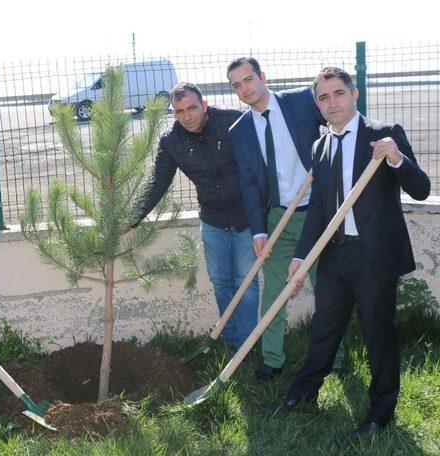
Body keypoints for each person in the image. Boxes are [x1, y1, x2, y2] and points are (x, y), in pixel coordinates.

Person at [283, 67, 430, 436]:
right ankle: (302, 395)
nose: (332, 103)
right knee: (324, 329)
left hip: (373, 255)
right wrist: (301, 258)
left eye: (338, 94)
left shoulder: (384, 134)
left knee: (377, 333)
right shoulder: (321, 146)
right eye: (324, 97)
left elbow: (422, 190)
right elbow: (318, 209)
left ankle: (381, 412)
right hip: (334, 256)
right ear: (317, 104)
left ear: (354, 94)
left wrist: (397, 158)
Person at [227, 57, 344, 381]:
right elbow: (249, 185)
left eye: (248, 79)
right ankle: (272, 361)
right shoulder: (240, 131)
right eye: (236, 85)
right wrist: (258, 231)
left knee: (328, 290)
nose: (244, 88)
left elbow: (337, 119)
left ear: (263, 76)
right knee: (274, 293)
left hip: (319, 213)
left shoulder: (300, 102)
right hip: (278, 217)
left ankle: (334, 358)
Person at [125, 82, 259, 351]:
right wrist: (131, 218)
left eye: (192, 107)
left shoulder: (233, 121)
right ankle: (231, 341)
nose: (188, 116)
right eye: (179, 111)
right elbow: (158, 182)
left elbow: (269, 144)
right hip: (212, 221)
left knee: (246, 281)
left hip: (247, 218)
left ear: (204, 105)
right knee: (221, 282)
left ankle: (248, 345)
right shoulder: (171, 142)